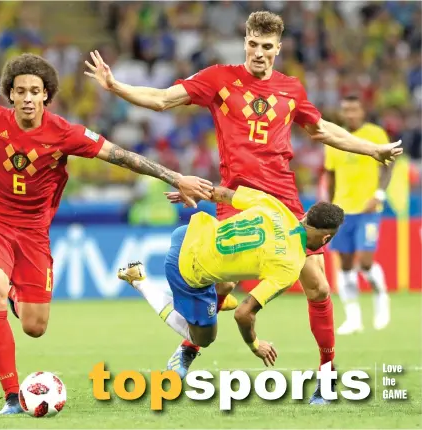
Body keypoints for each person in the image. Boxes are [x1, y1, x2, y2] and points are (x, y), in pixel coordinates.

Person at [84, 10, 403, 404]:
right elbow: (164, 99)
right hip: (237, 197)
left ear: (278, 49)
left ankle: (326, 373)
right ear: (245, 42)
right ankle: (191, 349)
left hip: (284, 202)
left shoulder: (291, 89)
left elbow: (323, 131)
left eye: (267, 47)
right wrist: (116, 87)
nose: (258, 52)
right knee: (223, 284)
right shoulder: (220, 78)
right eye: (253, 44)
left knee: (318, 286)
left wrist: (372, 149)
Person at [0, 53, 213, 414]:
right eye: (20, 90)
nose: (28, 97)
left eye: (35, 91)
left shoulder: (64, 133)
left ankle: (15, 291)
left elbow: (121, 156)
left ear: (47, 95)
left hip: (33, 234)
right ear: (9, 94)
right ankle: (12, 397)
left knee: (35, 327)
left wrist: (176, 177)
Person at [118, 185, 345, 369]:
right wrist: (255, 344)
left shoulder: (275, 205)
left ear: (305, 215)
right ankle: (140, 280)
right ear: (325, 239)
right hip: (186, 270)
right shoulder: (290, 266)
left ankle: (221, 296)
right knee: (203, 339)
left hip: (188, 231)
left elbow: (223, 194)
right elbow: (243, 314)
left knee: (226, 282)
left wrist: (192, 190)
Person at [325, 95, 393, 335]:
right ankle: (353, 317)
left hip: (368, 209)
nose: (350, 114)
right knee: (344, 265)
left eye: (354, 109)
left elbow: (388, 165)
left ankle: (380, 297)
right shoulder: (333, 137)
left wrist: (379, 195)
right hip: (343, 210)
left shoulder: (375, 134)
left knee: (364, 262)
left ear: (363, 111)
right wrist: (331, 206)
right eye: (346, 110)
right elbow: (330, 174)